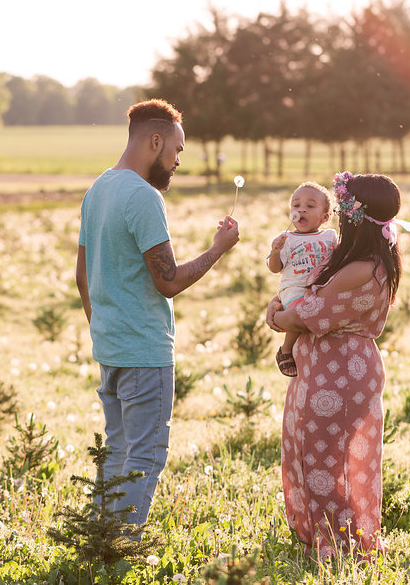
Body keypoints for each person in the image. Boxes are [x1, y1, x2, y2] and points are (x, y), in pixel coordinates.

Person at [75, 98, 240, 535]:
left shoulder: (98, 189)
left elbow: (82, 276)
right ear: (154, 140)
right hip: (145, 351)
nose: (178, 160)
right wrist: (217, 250)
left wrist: (103, 328)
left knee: (117, 450)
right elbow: (167, 281)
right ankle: (121, 545)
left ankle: (100, 539)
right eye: (177, 150)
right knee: (145, 454)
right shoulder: (143, 197)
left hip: (110, 346)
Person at [266, 171, 407, 560]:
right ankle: (323, 534)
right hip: (325, 369)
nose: (340, 219)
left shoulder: (362, 267)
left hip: (340, 373)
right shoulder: (359, 258)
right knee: (313, 452)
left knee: (327, 460)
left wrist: (276, 316)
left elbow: (307, 313)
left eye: (343, 211)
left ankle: (339, 544)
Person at [266, 182, 337, 377]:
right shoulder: (286, 239)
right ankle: (286, 349)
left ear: (325, 217)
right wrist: (275, 251)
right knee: (301, 310)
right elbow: (275, 268)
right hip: (294, 288)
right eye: (296, 205)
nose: (302, 209)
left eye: (310, 206)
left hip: (320, 287)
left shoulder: (329, 236)